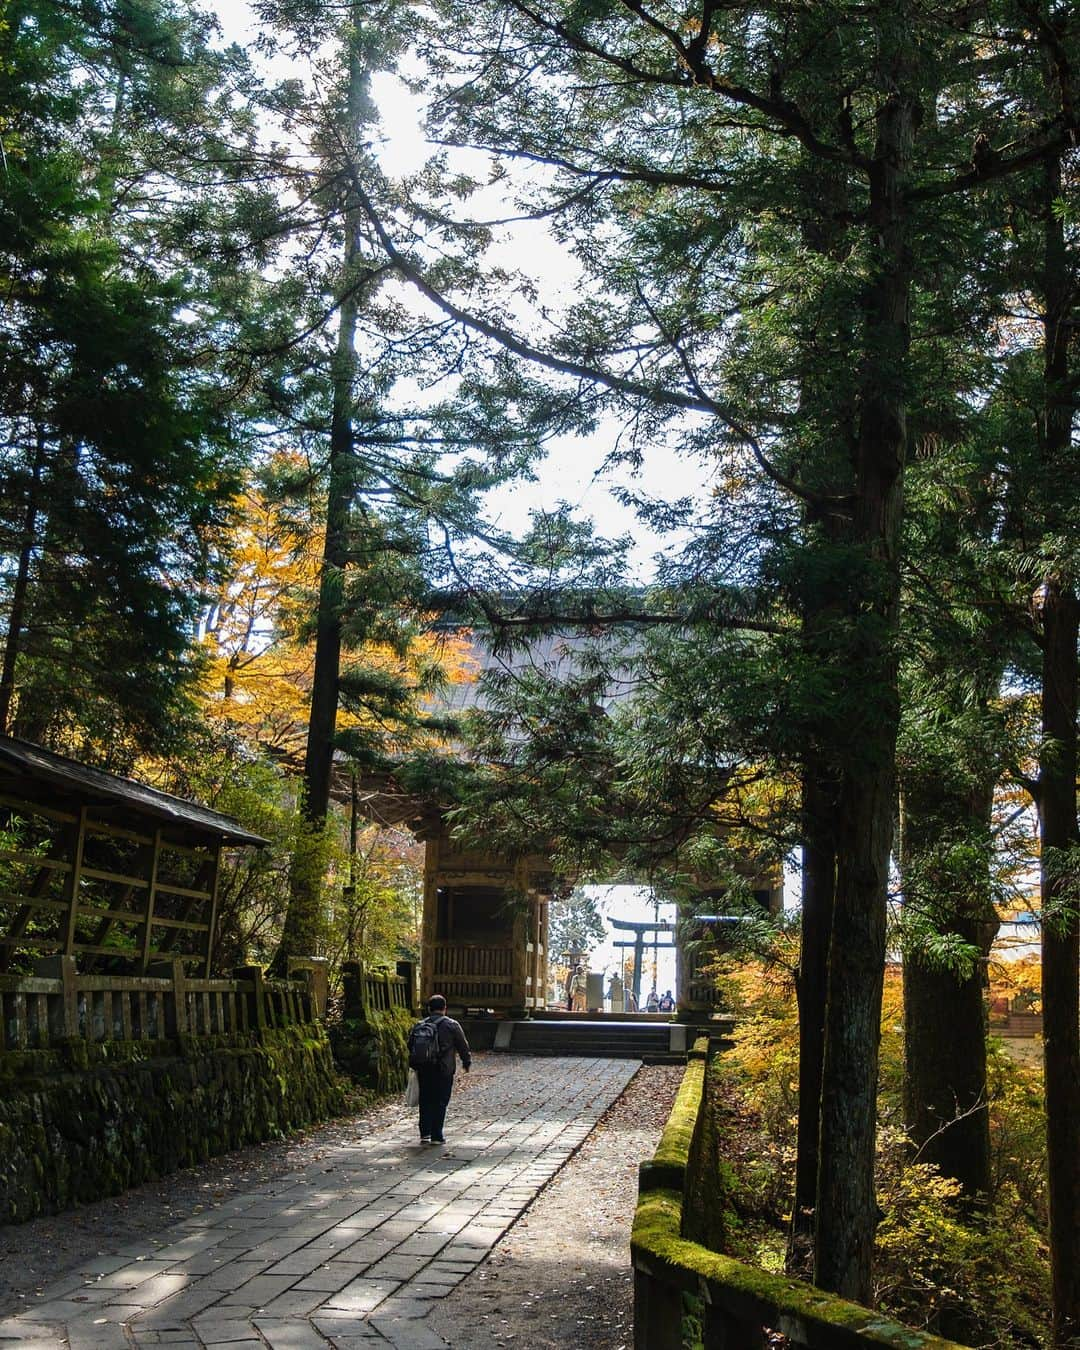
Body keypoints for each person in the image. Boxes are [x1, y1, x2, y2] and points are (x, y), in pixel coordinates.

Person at [409, 994, 471, 1145]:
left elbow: (410, 1045)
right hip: (444, 1069)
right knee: (440, 1101)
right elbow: (463, 1046)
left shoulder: (420, 1025)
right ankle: (437, 1135)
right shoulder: (452, 1025)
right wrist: (466, 1061)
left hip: (424, 1068)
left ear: (429, 1009)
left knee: (425, 1100)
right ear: (445, 1008)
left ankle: (425, 1133)